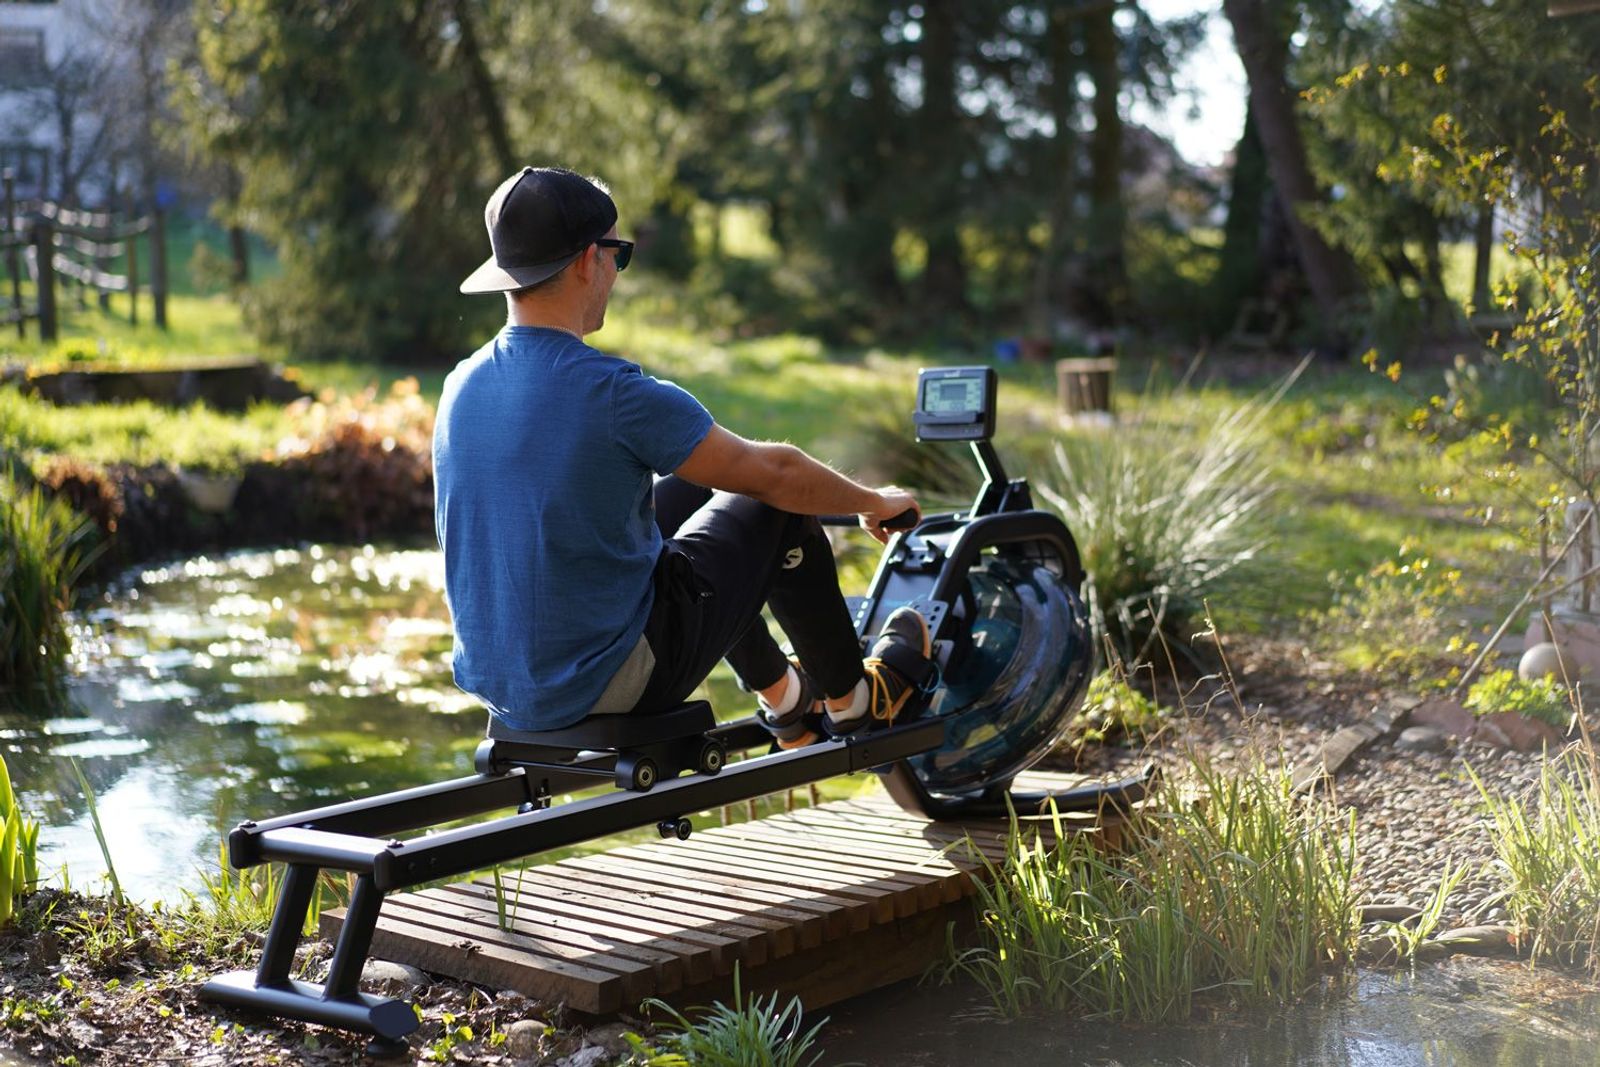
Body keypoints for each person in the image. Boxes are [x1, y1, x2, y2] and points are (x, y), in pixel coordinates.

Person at [435, 166, 933, 748]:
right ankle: (855, 703)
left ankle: (787, 699)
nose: (616, 277)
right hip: (610, 681)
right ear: (584, 261)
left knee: (687, 492)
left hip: (507, 686)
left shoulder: (459, 386)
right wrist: (873, 502)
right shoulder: (612, 392)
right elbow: (776, 475)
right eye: (618, 257)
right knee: (777, 506)